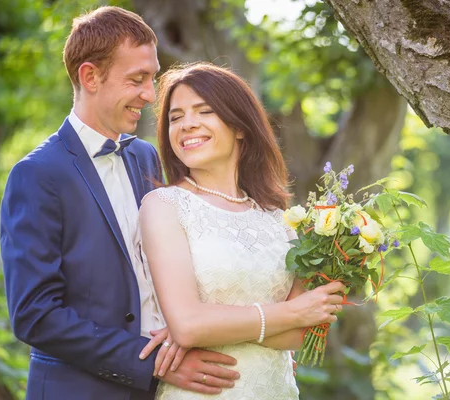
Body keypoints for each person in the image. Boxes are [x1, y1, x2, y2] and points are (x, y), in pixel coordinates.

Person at [0, 7, 239, 400]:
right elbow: (35, 316)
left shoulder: (145, 156)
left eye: (152, 78)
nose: (150, 94)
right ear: (90, 76)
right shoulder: (37, 175)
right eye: (137, 79)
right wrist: (152, 363)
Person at [139, 62, 345, 400]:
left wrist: (209, 326)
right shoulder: (164, 206)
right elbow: (188, 324)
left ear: (239, 126)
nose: (187, 124)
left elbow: (306, 333)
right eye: (175, 117)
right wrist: (291, 313)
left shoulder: (279, 217)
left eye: (204, 111)